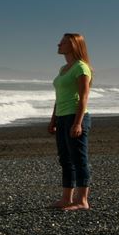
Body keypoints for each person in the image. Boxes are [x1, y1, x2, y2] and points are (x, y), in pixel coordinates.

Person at [48, 32, 92, 211]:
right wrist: (53, 119)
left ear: (73, 46)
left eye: (63, 43)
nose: (58, 45)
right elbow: (59, 97)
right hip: (62, 116)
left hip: (76, 116)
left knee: (79, 159)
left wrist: (78, 123)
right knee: (65, 159)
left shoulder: (81, 68)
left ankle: (82, 201)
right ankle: (67, 198)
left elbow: (83, 98)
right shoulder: (63, 69)